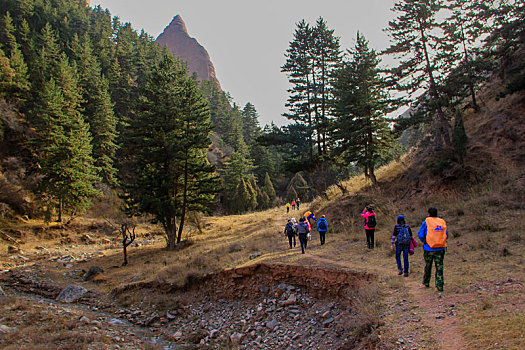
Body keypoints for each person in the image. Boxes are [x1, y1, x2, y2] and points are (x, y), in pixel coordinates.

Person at [418, 207, 448, 292]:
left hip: (429, 248)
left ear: (428, 214)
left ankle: (426, 282)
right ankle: (440, 285)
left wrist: (425, 242)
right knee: (439, 266)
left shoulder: (426, 222)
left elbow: (421, 234)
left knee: (428, 265)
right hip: (441, 248)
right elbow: (446, 235)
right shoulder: (442, 221)